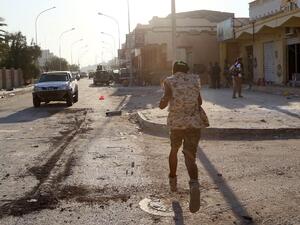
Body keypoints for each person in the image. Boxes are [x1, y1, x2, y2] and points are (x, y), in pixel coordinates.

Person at [159, 61, 203, 213]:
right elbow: (200, 101)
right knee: (190, 156)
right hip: (194, 123)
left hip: (177, 124)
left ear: (174, 70)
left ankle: (173, 181)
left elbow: (163, 104)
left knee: (174, 150)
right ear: (186, 70)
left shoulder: (169, 81)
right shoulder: (195, 80)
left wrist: (165, 99)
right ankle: (194, 184)